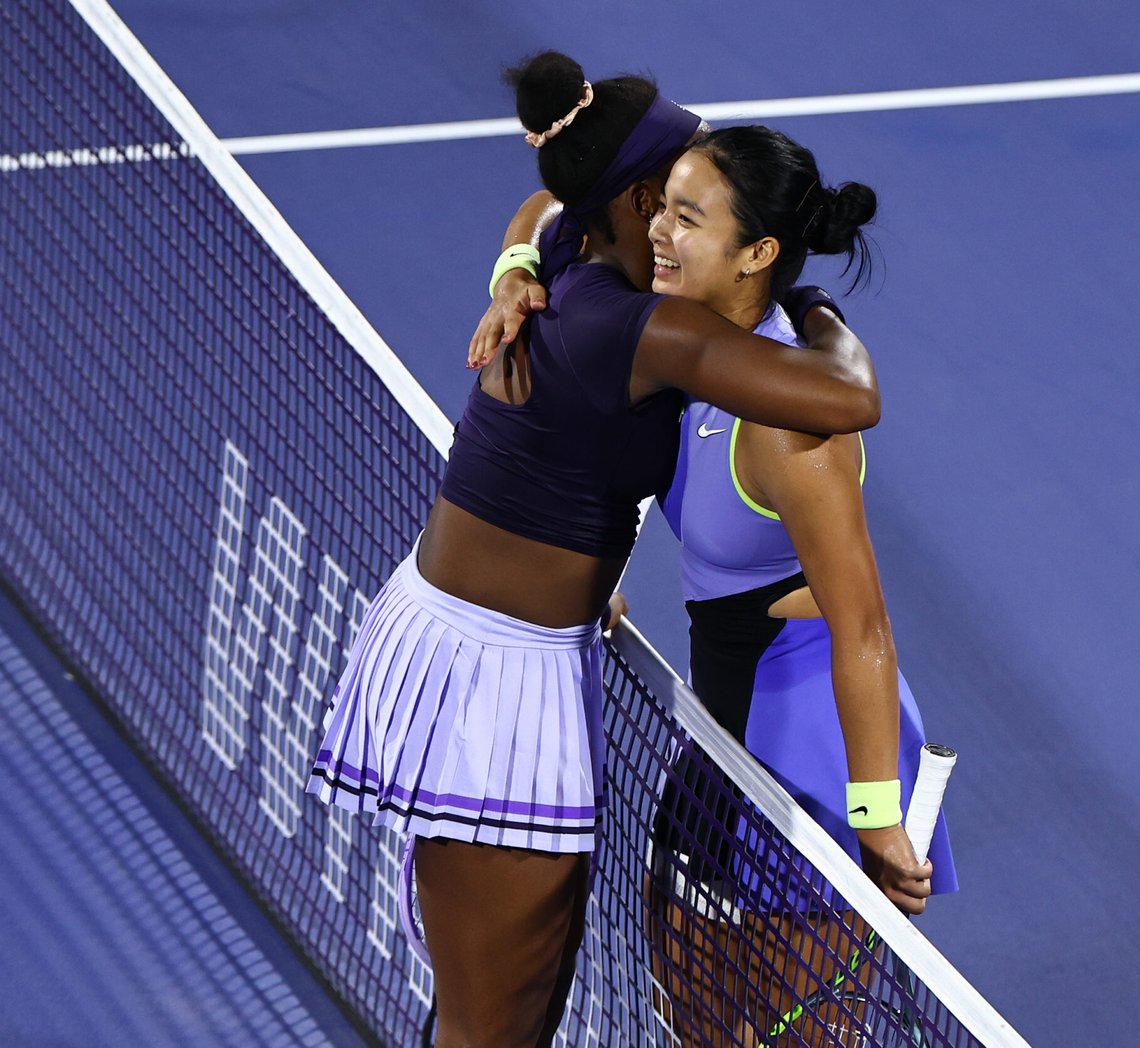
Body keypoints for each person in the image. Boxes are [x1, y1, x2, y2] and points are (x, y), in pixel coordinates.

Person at [307, 52, 886, 1048]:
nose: (680, 208)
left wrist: (512, 268)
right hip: (499, 679)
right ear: (637, 202)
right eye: (673, 192)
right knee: (497, 1026)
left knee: (510, 1007)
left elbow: (537, 206)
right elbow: (849, 397)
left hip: (472, 635)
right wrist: (815, 308)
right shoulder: (637, 326)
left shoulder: (573, 246)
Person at [646, 125, 959, 1043]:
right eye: (662, 205)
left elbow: (864, 625)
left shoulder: (791, 430)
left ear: (757, 254)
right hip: (718, 744)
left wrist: (875, 814)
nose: (657, 229)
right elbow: (556, 206)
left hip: (810, 764)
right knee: (688, 1023)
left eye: (687, 218)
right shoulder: (684, 338)